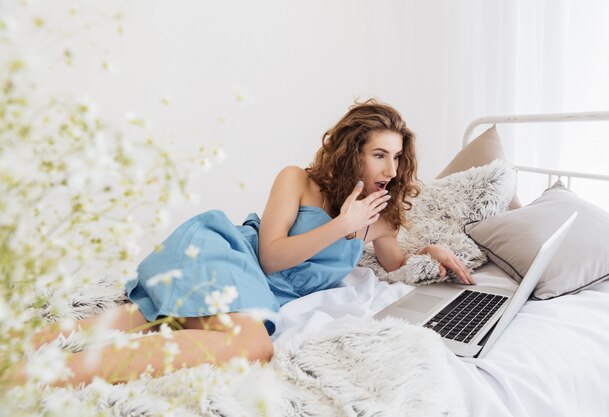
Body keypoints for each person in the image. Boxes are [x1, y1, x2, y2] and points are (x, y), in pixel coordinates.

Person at [20, 98, 474, 386]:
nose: (391, 170)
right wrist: (340, 225)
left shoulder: (378, 216)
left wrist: (428, 252)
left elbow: (393, 264)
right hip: (231, 257)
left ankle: (26, 362)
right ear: (351, 150)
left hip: (251, 290)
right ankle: (39, 373)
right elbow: (271, 258)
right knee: (251, 344)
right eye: (379, 155)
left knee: (148, 317)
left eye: (396, 157)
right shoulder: (298, 180)